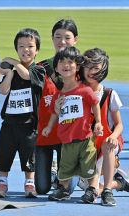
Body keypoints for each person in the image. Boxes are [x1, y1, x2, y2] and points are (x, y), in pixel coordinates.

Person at [42, 46, 103, 203]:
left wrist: (98, 122)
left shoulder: (85, 90)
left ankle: (92, 190)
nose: (66, 65)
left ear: (77, 66)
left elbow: (95, 104)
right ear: (56, 68)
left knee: (89, 166)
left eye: (70, 62)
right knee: (65, 168)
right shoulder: (58, 94)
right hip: (67, 141)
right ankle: (63, 189)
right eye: (61, 62)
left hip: (84, 139)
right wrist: (49, 127)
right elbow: (55, 113)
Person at [0, 28, 45, 198]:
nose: (25, 50)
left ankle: (29, 184)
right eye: (21, 46)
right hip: (9, 122)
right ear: (17, 48)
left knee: (29, 156)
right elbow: (2, 90)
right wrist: (8, 74)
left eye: (30, 46)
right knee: (4, 153)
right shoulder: (14, 72)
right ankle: (2, 183)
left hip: (30, 124)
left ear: (37, 50)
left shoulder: (39, 70)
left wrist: (11, 62)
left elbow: (27, 75)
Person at [78, 48, 127, 206]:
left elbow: (119, 124)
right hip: (86, 144)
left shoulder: (109, 94)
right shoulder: (76, 93)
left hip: (107, 141)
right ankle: (118, 183)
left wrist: (113, 136)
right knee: (84, 185)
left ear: (103, 69)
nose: (91, 71)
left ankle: (107, 190)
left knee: (108, 145)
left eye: (96, 68)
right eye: (88, 66)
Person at [35, 18, 79, 195]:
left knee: (67, 190)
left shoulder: (82, 69)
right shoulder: (41, 68)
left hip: (70, 136)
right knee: (42, 188)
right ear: (52, 39)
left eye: (67, 37)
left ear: (76, 39)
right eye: (57, 36)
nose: (62, 41)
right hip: (46, 132)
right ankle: (53, 170)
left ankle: (81, 172)